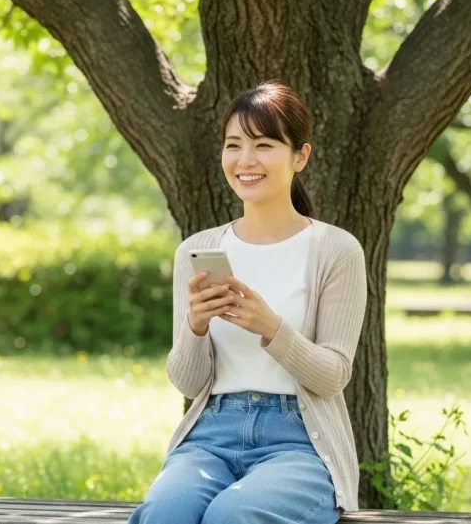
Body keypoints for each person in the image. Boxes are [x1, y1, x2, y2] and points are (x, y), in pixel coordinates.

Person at [128, 80, 368, 524]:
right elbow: (187, 382)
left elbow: (334, 375)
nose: (245, 160)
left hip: (299, 440)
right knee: (165, 514)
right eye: (233, 145)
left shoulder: (336, 249)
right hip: (210, 435)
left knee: (232, 516)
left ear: (301, 156)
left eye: (263, 144)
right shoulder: (198, 251)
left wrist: (272, 329)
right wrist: (196, 328)